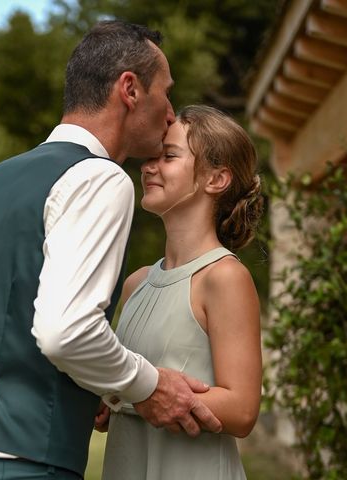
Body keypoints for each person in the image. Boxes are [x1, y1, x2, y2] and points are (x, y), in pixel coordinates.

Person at [0, 22, 222, 480]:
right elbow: (65, 333)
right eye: (166, 94)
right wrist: (147, 386)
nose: (171, 114)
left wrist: (70, 380)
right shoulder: (100, 178)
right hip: (22, 465)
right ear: (130, 89)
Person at [99, 105, 264, 480]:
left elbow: (242, 409)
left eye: (168, 156)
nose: (147, 167)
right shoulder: (135, 283)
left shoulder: (224, 278)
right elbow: (125, 385)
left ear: (217, 179)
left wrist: (140, 394)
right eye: (151, 157)